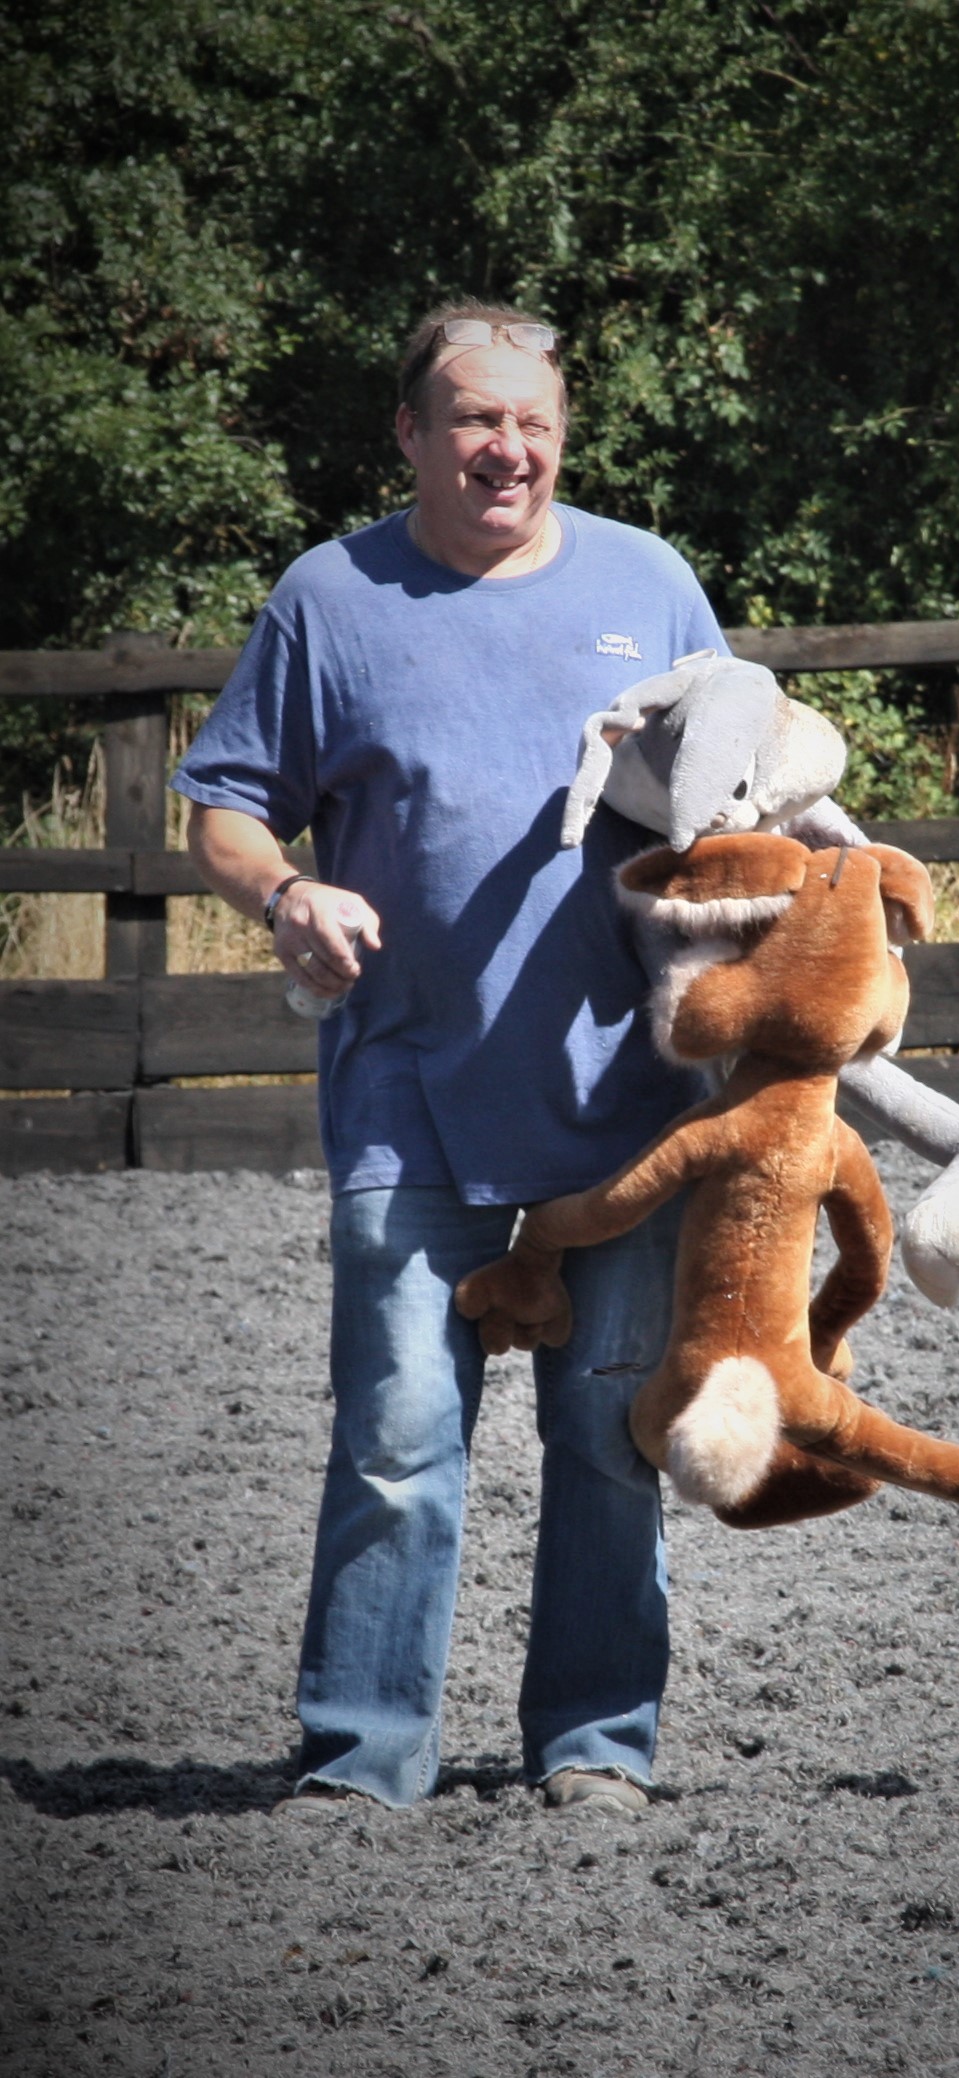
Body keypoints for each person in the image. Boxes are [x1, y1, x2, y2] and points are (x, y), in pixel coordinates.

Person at [172, 300, 724, 1816]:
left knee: (611, 1441)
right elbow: (224, 807)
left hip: (628, 1107)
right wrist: (285, 893)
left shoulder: (650, 584)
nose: (508, 448)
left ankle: (596, 1747)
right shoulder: (329, 599)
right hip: (407, 1099)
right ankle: (363, 1756)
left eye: (535, 421)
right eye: (476, 418)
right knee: (397, 1444)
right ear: (411, 432)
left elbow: (738, 790)